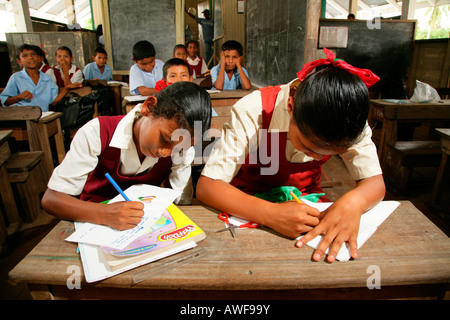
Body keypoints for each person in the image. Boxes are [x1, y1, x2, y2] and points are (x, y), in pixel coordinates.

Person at [196, 48, 385, 263]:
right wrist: (269, 214)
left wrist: (353, 202)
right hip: (247, 202)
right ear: (290, 106)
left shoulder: (350, 119)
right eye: (308, 147)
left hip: (306, 204)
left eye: (331, 154)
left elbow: (375, 182)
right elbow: (208, 186)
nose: (315, 157)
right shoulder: (255, 109)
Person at [41, 81, 212, 230]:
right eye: (164, 139)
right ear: (149, 107)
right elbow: (51, 199)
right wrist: (105, 214)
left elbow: (181, 201)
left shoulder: (181, 146)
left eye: (179, 148)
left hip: (142, 227)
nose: (166, 152)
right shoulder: (97, 132)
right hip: (92, 222)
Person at [0, 44, 81, 112]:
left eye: (33, 54)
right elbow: (6, 101)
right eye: (25, 56)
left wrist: (66, 88)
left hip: (43, 115)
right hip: (22, 115)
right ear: (19, 62)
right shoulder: (16, 77)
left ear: (39, 58)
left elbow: (53, 102)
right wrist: (18, 97)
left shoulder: (46, 78)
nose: (30, 57)